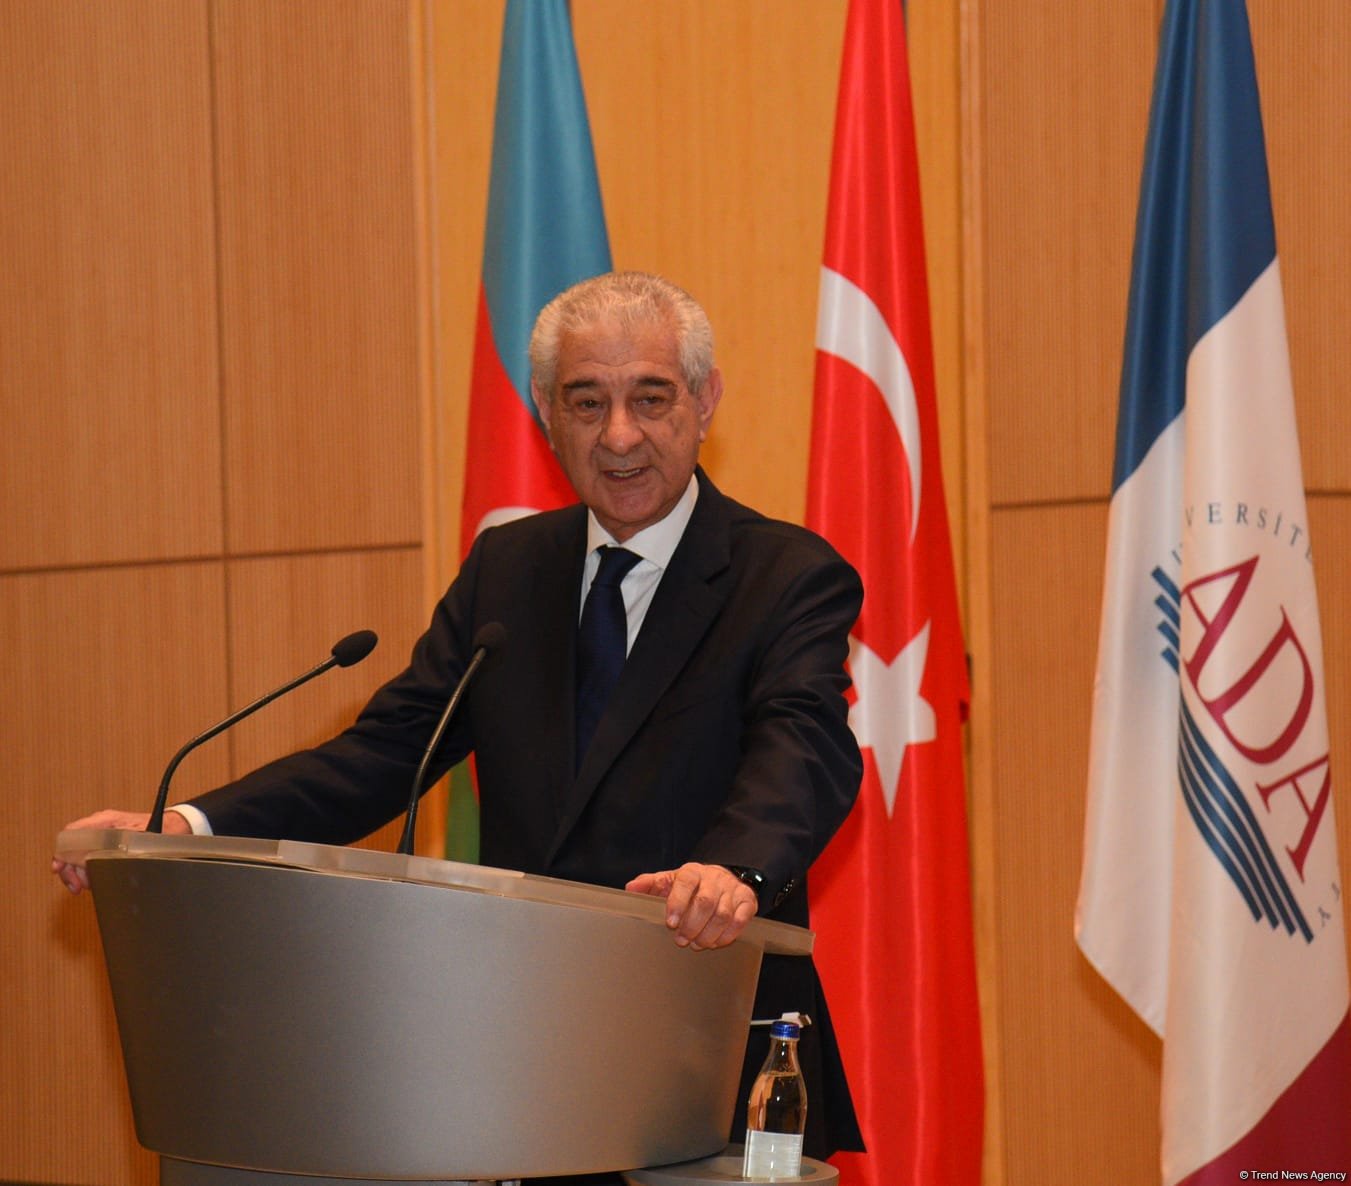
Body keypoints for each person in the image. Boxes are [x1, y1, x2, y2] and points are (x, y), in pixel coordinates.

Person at [54, 271, 866, 1173]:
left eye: (650, 398)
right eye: (586, 402)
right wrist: (184, 828)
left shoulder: (784, 574)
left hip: (706, 1035)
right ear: (545, 414)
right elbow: (387, 751)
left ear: (704, 401)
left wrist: (732, 870)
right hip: (515, 1048)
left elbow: (803, 744)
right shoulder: (508, 568)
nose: (619, 435)